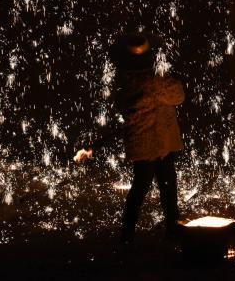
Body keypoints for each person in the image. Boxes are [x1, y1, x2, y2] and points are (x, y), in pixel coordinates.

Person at [75, 32, 185, 243]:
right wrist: (153, 90)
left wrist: (153, 89)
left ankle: (173, 229)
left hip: (164, 142)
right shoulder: (127, 83)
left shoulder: (157, 80)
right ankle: (127, 231)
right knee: (141, 187)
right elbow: (134, 105)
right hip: (144, 144)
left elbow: (179, 96)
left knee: (169, 187)